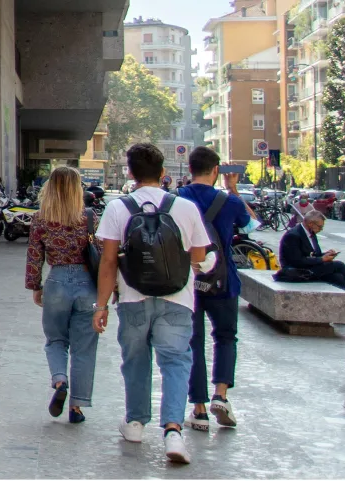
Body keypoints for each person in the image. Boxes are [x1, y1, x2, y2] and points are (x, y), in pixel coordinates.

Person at [93, 143, 211, 464]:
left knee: (135, 359)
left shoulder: (119, 208)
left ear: (130, 173)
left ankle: (135, 423)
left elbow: (107, 262)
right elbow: (199, 255)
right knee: (174, 362)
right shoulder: (185, 208)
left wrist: (101, 306)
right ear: (163, 173)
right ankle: (173, 431)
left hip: (132, 297)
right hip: (178, 299)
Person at [176, 148, 256, 432]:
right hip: (223, 279)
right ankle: (221, 394)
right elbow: (252, 225)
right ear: (216, 170)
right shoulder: (228, 201)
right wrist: (232, 189)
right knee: (225, 337)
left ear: (189, 168)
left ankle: (198, 409)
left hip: (188, 281)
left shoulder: (178, 198)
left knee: (192, 342)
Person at [27, 166, 99, 425]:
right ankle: (77, 407)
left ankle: (60, 379)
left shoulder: (40, 219)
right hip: (86, 284)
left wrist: (36, 286)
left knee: (55, 340)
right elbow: (100, 253)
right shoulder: (89, 217)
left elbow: (35, 256)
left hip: (56, 281)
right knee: (84, 348)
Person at [277, 211, 345, 311]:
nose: (321, 229)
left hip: (308, 267)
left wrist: (325, 255)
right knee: (339, 265)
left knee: (338, 278)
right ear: (310, 223)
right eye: (319, 227)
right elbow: (296, 261)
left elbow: (314, 254)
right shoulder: (293, 235)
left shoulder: (311, 234)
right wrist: (322, 259)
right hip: (296, 272)